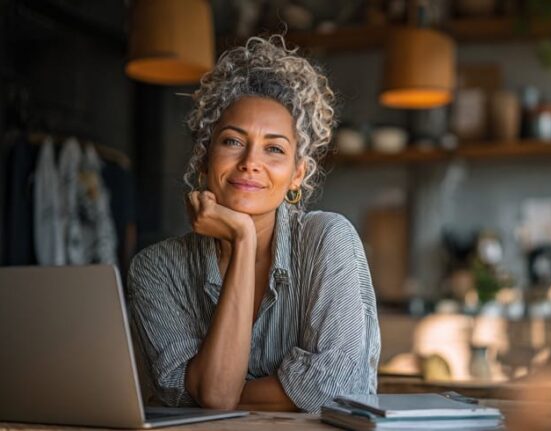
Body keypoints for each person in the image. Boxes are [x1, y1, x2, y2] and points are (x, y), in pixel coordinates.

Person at [126, 36, 380, 413]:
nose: (250, 162)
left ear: (297, 174)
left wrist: (218, 394)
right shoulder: (156, 269)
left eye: (274, 148)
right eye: (232, 141)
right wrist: (244, 239)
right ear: (203, 160)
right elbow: (198, 395)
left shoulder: (327, 239)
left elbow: (326, 388)